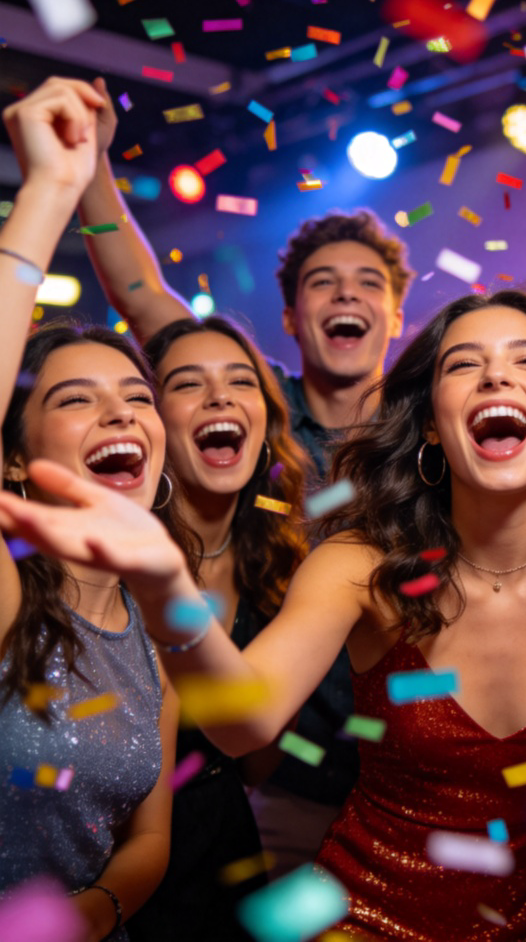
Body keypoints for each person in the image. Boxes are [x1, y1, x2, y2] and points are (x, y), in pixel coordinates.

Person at [0, 290, 526, 939]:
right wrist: (165, 583)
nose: (495, 375)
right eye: (462, 364)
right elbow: (242, 723)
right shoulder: (360, 564)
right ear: (431, 422)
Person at [76, 93, 417, 871]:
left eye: (367, 282)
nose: (345, 295)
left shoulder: (425, 431)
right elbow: (138, 292)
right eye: (322, 283)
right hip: (277, 772)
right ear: (293, 318)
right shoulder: (258, 406)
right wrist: (90, 163)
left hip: (402, 770)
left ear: (396, 314)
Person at [0, 79, 180, 941]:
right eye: (76, 400)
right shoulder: (8, 602)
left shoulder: (166, 634)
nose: (120, 414)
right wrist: (47, 196)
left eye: (138, 397)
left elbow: (149, 839)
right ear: (14, 461)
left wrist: (91, 914)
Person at [126, 315, 311, 942]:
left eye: (242, 381)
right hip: (105, 853)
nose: (221, 397)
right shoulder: (114, 560)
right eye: (186, 384)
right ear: (149, 422)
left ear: (265, 427)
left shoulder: (284, 567)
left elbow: (257, 759)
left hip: (225, 845)